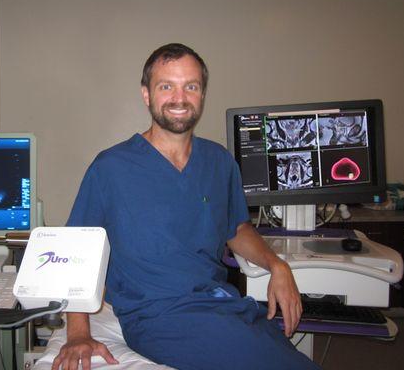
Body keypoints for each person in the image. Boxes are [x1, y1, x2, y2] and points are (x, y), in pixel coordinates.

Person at [52, 43, 320, 370]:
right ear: (147, 95)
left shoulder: (219, 161)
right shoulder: (111, 169)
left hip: (222, 305)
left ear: (202, 95)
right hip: (159, 317)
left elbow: (236, 229)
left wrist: (277, 265)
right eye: (167, 86)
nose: (180, 98)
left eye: (190, 86)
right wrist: (77, 333)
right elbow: (76, 251)